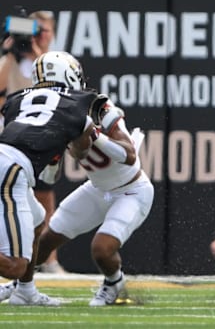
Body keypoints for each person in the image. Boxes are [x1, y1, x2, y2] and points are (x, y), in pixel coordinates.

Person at [8, 96, 153, 307]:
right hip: (97, 188)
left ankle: (114, 283)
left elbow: (129, 156)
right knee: (46, 241)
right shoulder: (59, 117)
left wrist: (95, 134)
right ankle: (21, 285)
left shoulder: (100, 108)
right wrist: (54, 158)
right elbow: (53, 175)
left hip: (131, 190)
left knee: (101, 249)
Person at [0, 51, 99, 305]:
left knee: (37, 218)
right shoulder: (80, 101)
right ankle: (22, 281)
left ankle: (25, 291)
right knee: (14, 266)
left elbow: (21, 129)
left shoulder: (16, 99)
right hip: (11, 170)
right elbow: (81, 150)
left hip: (8, 162)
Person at [0, 10, 65, 274]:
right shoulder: (10, 61)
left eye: (42, 31)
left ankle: (47, 260)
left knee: (44, 196)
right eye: (33, 31)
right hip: (12, 136)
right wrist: (10, 51)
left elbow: (60, 88)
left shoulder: (54, 61)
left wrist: (36, 51)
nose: (36, 36)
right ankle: (20, 254)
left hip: (43, 136)